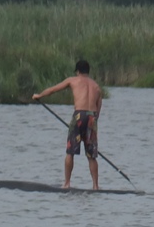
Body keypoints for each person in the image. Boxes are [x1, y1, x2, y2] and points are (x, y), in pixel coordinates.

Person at [33, 60, 103, 190]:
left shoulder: (73, 80)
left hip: (79, 115)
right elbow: (99, 106)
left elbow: (53, 90)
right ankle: (95, 186)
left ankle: (67, 183)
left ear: (78, 71)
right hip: (92, 117)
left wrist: (39, 95)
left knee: (70, 151)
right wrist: (93, 121)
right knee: (91, 155)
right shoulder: (96, 86)